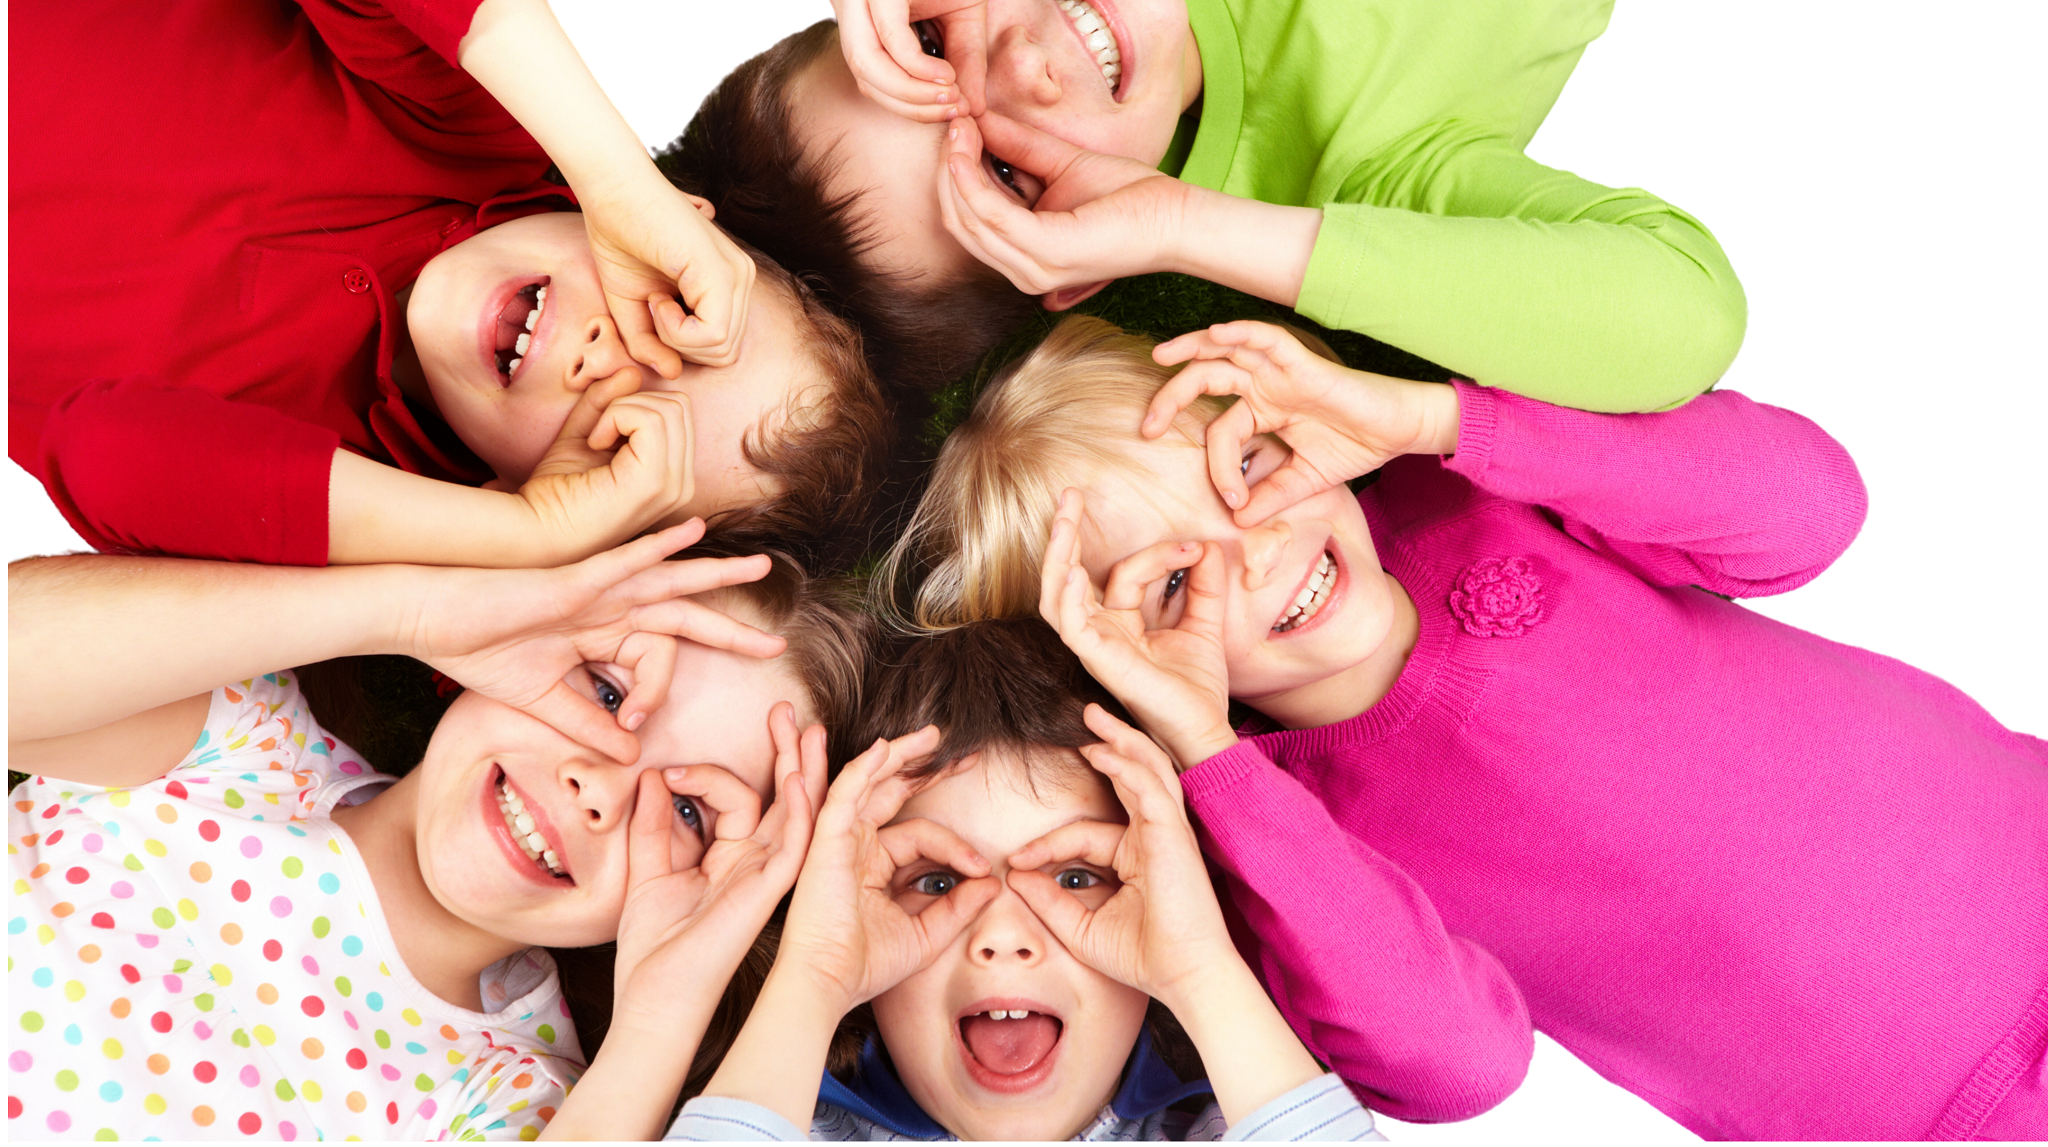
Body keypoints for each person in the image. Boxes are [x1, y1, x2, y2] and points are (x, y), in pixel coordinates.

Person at [884, 315, 2048, 1139]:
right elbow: (1456, 1069)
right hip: (1942, 1115)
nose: (1260, 545)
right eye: (1175, 588)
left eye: (1248, 463)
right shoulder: (1281, 834)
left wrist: (1437, 420)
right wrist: (1201, 749)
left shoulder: (1470, 489)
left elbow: (1808, 510)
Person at [7, 522, 868, 1141]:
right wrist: (417, 611)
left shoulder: (517, 1095)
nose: (598, 783)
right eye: (606, 691)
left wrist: (659, 1019)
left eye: (688, 812)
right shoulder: (247, 742)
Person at [10, 0, 892, 573]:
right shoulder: (474, 128)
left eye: (624, 439)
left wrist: (521, 534)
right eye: (677, 312)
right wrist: (616, 178)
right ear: (685, 226)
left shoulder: (346, 501)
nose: (606, 362)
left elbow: (94, 447)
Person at [663, 0, 1743, 409]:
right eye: (1005, 174)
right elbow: (1683, 314)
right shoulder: (1364, 165)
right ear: (1075, 259)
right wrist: (1189, 225)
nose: (1028, 60)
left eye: (934, 43)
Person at [666, 620, 1381, 1141]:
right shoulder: (774, 1115)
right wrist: (813, 976)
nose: (1003, 936)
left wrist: (1201, 969)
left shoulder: (1233, 1119)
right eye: (937, 883)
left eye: (1075, 877)